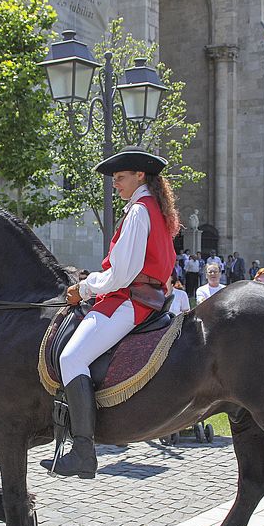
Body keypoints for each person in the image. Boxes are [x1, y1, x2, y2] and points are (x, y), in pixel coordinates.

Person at [41, 147, 178, 479]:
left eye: (120, 178)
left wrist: (84, 288)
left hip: (128, 301)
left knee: (71, 358)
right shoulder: (154, 209)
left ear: (139, 176)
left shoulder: (139, 212)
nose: (115, 184)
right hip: (143, 299)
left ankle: (84, 452)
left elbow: (120, 275)